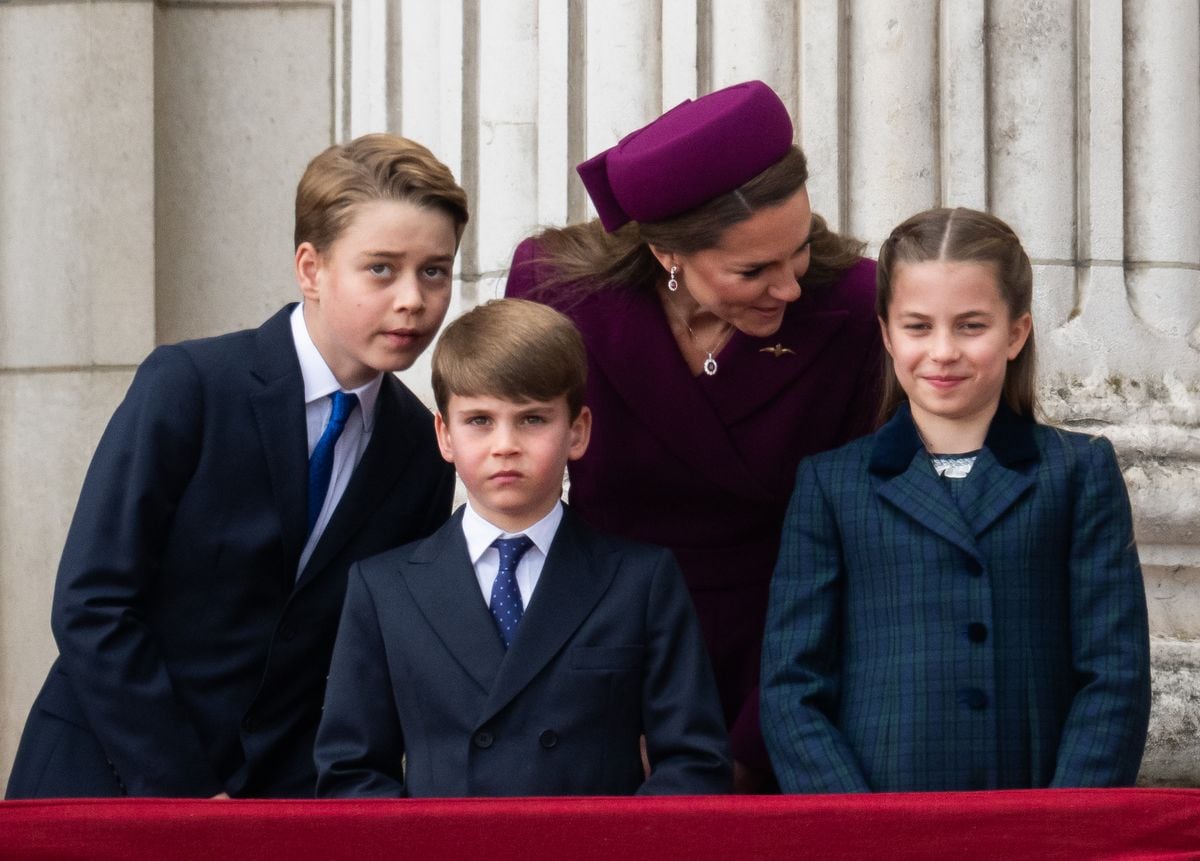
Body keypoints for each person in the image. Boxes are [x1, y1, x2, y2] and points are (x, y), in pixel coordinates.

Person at [6, 133, 467, 799]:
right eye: (381, 268)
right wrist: (188, 794)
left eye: (435, 270)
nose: (413, 299)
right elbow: (92, 603)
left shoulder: (421, 450)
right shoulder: (190, 384)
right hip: (103, 779)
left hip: (279, 807)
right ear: (310, 268)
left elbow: (364, 658)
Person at [504, 80, 881, 788]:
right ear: (668, 254)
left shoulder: (856, 307)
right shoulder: (556, 292)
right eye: (753, 270)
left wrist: (752, 737)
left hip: (787, 666)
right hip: (602, 656)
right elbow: (520, 508)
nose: (792, 287)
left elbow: (860, 543)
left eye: (798, 251)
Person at [760, 207, 1152, 792]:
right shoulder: (831, 484)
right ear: (887, 334)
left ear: (1016, 332)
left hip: (1033, 812)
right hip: (879, 813)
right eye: (918, 327)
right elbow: (792, 685)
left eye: (971, 326)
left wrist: (1063, 826)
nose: (943, 351)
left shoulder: (1077, 472)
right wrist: (852, 828)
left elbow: (1114, 673)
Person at [314, 298, 731, 797]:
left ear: (577, 431)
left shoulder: (641, 580)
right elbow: (350, 773)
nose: (505, 444)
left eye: (533, 420)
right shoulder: (383, 588)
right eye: (479, 421)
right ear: (444, 436)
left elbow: (694, 762)